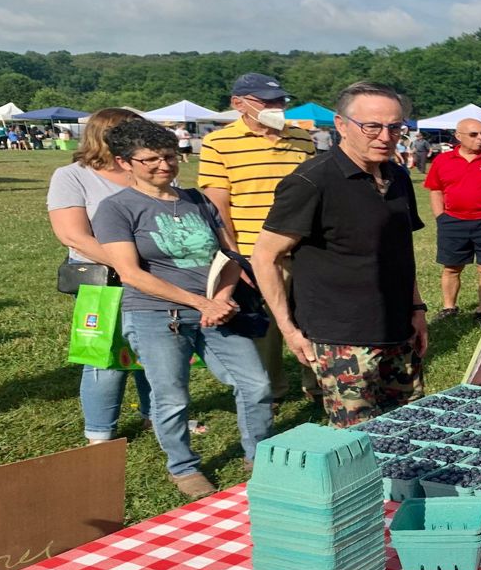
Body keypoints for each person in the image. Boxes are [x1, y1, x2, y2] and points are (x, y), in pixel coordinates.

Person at [94, 119, 272, 499]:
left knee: (255, 384)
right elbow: (130, 273)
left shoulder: (199, 200)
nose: (164, 165)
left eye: (171, 156)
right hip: (157, 315)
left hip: (219, 311)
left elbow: (229, 256)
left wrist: (222, 299)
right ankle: (182, 466)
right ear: (125, 162)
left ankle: (259, 455)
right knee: (171, 395)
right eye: (151, 159)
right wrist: (199, 302)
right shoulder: (116, 208)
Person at [253, 82, 428, 428]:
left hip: (398, 328)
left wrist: (417, 309)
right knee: (358, 439)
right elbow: (265, 257)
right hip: (342, 337)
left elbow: (400, 253)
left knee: (411, 427)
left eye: (395, 127)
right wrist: (289, 329)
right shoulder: (311, 181)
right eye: (372, 127)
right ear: (341, 124)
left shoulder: (398, 177)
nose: (385, 136)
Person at [198, 72, 318, 410]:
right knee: (267, 330)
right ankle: (272, 393)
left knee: (312, 319)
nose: (277, 108)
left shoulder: (301, 138)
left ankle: (319, 385)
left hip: (306, 248)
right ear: (239, 104)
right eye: (267, 102)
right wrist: (235, 259)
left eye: (280, 101)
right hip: (256, 252)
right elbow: (218, 206)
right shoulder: (219, 143)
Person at [47, 107, 152, 445]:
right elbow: (73, 236)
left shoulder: (151, 171)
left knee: (157, 351)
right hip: (104, 280)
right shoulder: (71, 176)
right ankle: (100, 433)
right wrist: (129, 265)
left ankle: (159, 415)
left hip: (154, 278)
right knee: (104, 357)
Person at [424, 118, 481, 321]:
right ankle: (449, 308)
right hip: (452, 221)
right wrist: (440, 216)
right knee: (451, 267)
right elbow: (435, 190)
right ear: (458, 136)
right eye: (474, 134)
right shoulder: (443, 160)